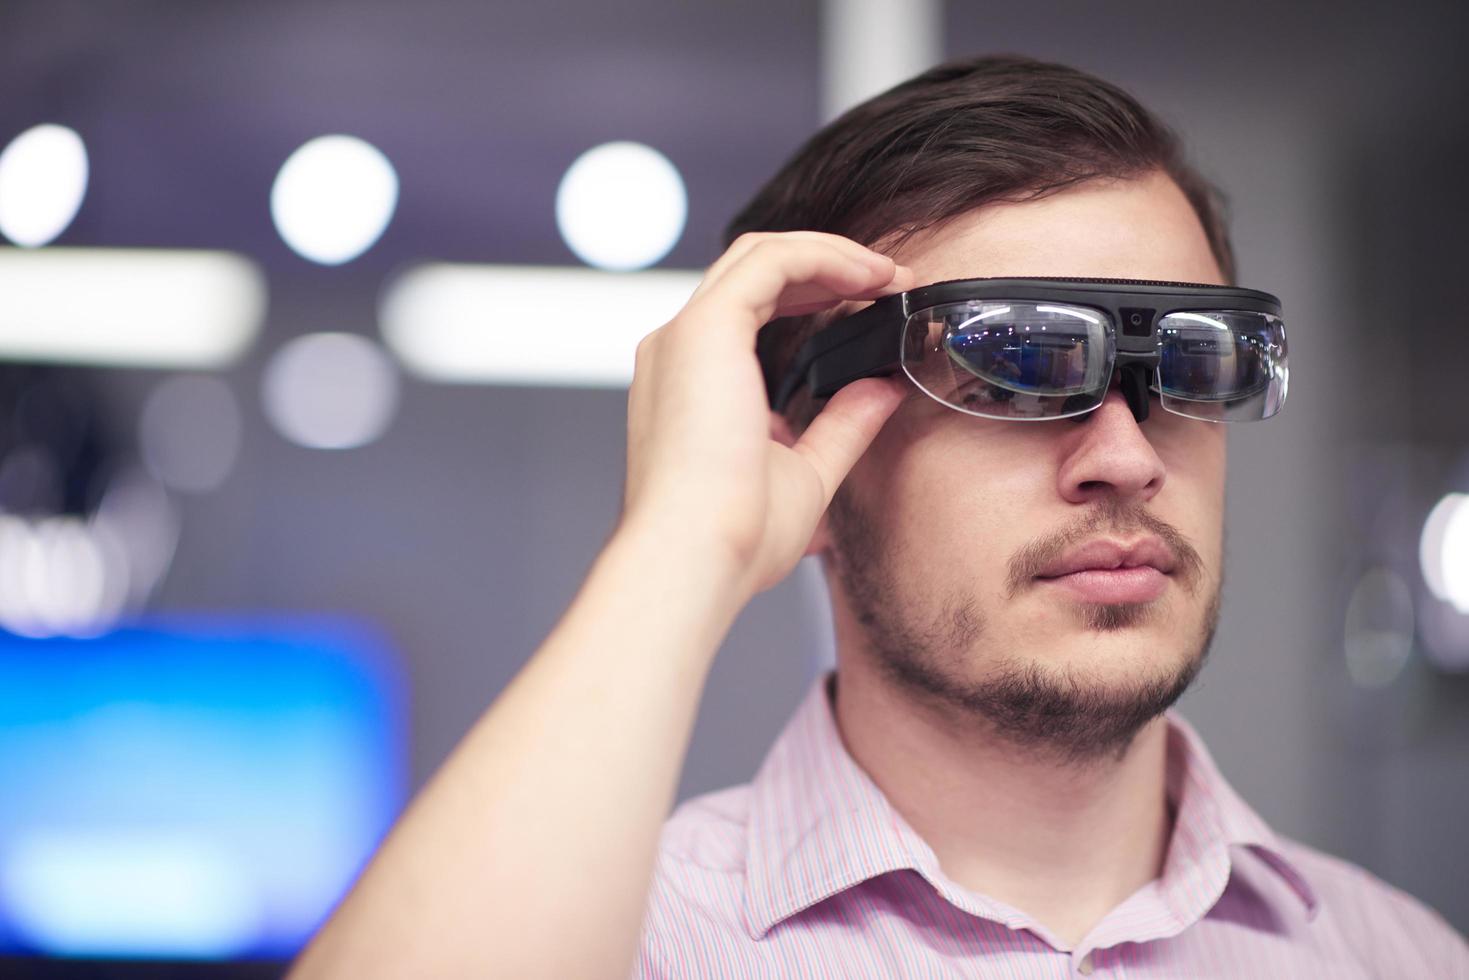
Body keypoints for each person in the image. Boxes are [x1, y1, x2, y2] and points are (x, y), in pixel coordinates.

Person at [289, 54, 1469, 978]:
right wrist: (677, 546)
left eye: (1191, 366)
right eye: (1012, 364)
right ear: (800, 444)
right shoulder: (618, 943)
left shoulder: (1399, 956)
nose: (1123, 456)